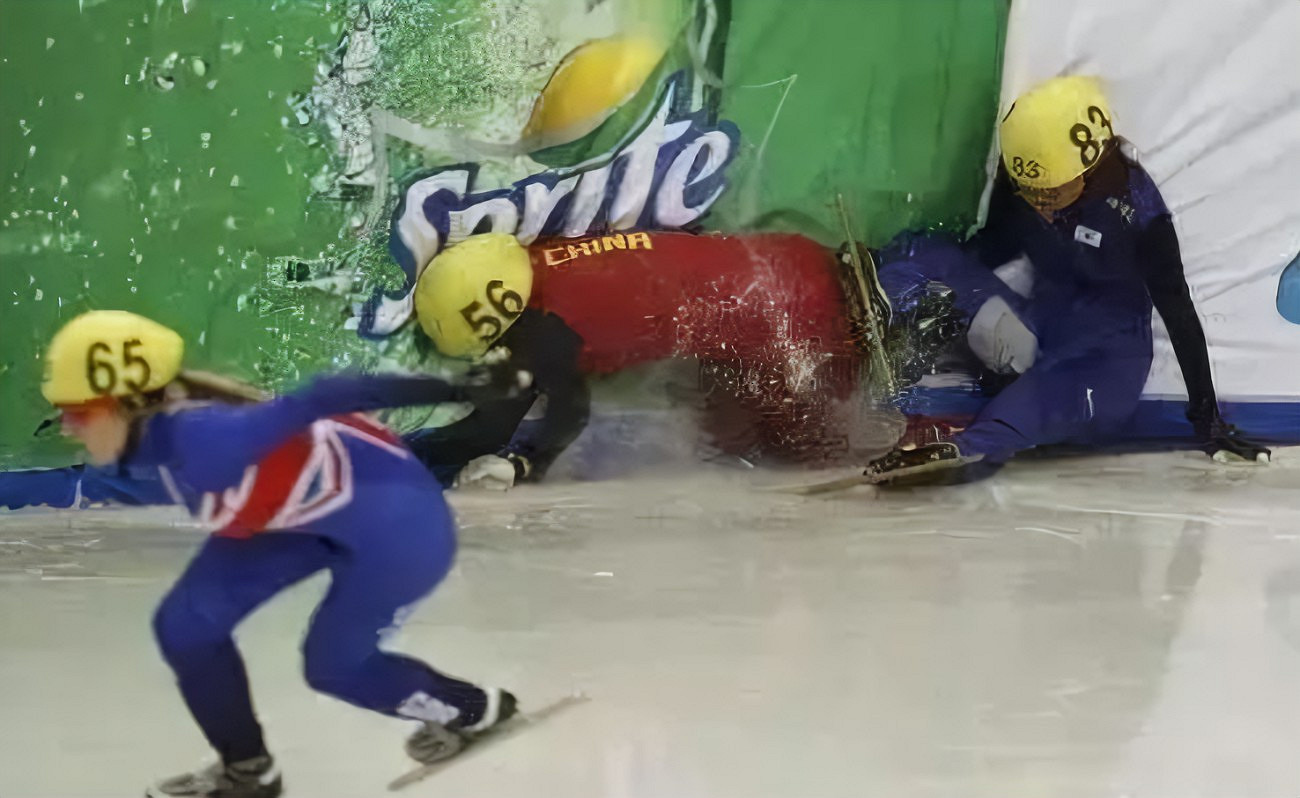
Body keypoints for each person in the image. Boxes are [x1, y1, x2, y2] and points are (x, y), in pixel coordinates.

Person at [29, 310, 523, 798]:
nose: (68, 429)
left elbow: (325, 394)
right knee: (186, 625)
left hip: (398, 525)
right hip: (306, 519)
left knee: (334, 667)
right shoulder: (149, 444)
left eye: (78, 413)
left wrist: (458, 388)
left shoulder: (206, 439)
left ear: (128, 404)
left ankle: (473, 709)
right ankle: (249, 773)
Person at [866, 76, 1271, 483]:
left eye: (1052, 194)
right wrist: (946, 284)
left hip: (1102, 367)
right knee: (929, 252)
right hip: (1040, 329)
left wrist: (1208, 420)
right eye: (1028, 191)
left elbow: (1178, 309)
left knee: (1019, 414)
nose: (1040, 206)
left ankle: (962, 454)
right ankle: (886, 296)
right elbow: (995, 248)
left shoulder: (1139, 211)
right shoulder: (1025, 174)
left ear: (1090, 170)